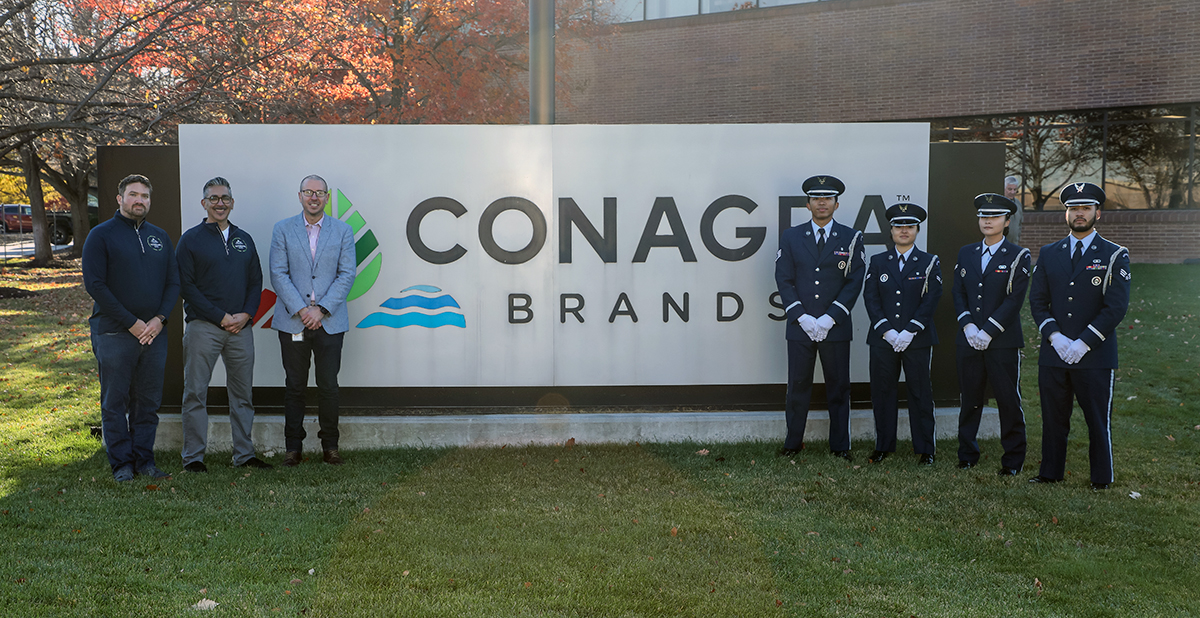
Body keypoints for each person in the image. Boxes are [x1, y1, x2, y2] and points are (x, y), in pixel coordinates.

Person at [1028, 182, 1130, 490]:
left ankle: (1101, 478)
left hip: (1095, 355)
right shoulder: (1048, 253)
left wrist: (1083, 342)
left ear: (1098, 213)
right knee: (1053, 418)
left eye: (1086, 208)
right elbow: (1037, 301)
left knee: (1098, 421)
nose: (1079, 214)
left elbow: (1115, 307)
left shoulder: (1114, 255)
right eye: (1073, 209)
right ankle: (1050, 472)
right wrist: (1055, 338)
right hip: (1054, 353)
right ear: (1066, 214)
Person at [82, 174, 179, 481]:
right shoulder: (101, 235)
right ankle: (122, 464)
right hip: (114, 333)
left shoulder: (159, 237)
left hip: (152, 335)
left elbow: (173, 282)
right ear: (119, 199)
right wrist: (132, 323)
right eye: (133, 194)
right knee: (115, 402)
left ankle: (144, 461)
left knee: (147, 402)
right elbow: (95, 284)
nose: (140, 200)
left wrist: (158, 319)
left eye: (145, 196)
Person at [176, 177, 272, 472]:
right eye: (214, 198)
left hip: (241, 329)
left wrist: (246, 314)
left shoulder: (244, 239)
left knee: (243, 395)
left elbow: (256, 281)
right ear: (204, 203)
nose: (220, 203)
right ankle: (193, 457)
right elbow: (186, 286)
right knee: (195, 392)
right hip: (204, 327)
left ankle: (244, 455)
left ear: (232, 202)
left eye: (225, 198)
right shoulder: (191, 239)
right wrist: (219, 316)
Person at [775, 175, 866, 460]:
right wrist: (801, 317)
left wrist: (829, 318)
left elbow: (854, 281)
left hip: (835, 327)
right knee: (798, 386)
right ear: (808, 203)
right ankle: (792, 444)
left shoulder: (852, 238)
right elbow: (784, 278)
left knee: (839, 388)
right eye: (817, 198)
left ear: (836, 204)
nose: (822, 202)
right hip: (800, 326)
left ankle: (840, 447)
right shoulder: (791, 236)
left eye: (827, 198)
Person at [269, 175, 356, 467]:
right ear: (300, 196)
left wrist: (321, 310)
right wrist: (302, 310)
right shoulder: (282, 229)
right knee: (295, 386)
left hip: (330, 322)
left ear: (327, 198)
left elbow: (347, 274)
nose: (314, 197)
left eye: (320, 193)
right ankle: (293, 448)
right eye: (309, 192)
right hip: (293, 321)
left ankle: (330, 446)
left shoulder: (343, 231)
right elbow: (278, 273)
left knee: (328, 386)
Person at [952, 193, 1030, 476]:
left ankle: (1012, 460)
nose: (988, 221)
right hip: (969, 339)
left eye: (995, 216)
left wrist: (989, 331)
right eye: (983, 216)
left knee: (1009, 401)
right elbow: (958, 292)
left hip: (1002, 342)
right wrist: (969, 326)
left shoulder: (1018, 256)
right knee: (970, 397)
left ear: (1007, 222)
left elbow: (1014, 300)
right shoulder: (966, 253)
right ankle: (967, 453)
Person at [862, 203, 942, 465]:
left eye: (909, 226)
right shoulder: (877, 261)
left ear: (917, 230)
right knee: (883, 392)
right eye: (899, 226)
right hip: (883, 340)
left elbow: (931, 300)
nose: (904, 230)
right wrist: (886, 330)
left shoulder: (930, 262)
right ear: (891, 231)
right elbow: (871, 298)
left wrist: (909, 331)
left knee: (920, 393)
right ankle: (883, 446)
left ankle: (926, 449)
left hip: (916, 340)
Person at [1004, 175, 1023, 243]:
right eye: (1009, 189)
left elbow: (1020, 224)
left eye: (1015, 189)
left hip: (1015, 243)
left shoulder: (1018, 203)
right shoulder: (1000, 204)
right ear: (1004, 188)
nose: (1012, 192)